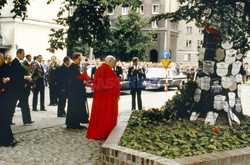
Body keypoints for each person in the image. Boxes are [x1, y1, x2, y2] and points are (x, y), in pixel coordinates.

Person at [86, 55, 120, 139]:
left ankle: (97, 132)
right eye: (113, 62)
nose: (114, 64)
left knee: (98, 113)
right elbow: (116, 85)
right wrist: (117, 95)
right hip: (109, 97)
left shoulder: (98, 70)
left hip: (98, 96)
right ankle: (106, 132)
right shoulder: (110, 71)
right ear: (110, 61)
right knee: (107, 114)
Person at [9, 49, 33, 125]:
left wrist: (26, 78)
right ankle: (8, 120)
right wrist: (25, 77)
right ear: (18, 54)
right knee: (12, 104)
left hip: (20, 87)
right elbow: (15, 75)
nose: (24, 56)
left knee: (24, 103)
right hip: (16, 87)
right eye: (23, 54)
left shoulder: (20, 62)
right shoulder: (15, 62)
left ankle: (27, 120)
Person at [0, 53, 18, 147]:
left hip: (3, 97)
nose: (3, 61)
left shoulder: (4, 67)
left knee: (4, 119)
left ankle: (7, 139)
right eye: (2, 59)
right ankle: (6, 139)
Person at [66, 53, 88, 129]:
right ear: (75, 59)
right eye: (79, 59)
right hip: (74, 91)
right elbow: (74, 79)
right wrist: (82, 80)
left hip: (77, 91)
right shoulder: (72, 67)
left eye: (80, 59)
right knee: (74, 107)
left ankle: (76, 122)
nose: (80, 61)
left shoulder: (76, 67)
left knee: (77, 107)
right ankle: (73, 123)